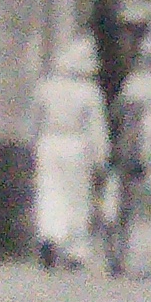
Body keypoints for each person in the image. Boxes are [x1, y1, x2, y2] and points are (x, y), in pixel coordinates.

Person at [29, 35, 107, 269]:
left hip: (48, 141)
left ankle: (50, 234)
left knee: (49, 190)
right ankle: (75, 250)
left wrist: (34, 146)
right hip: (76, 143)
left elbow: (34, 121)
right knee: (77, 196)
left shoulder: (45, 87)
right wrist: (101, 156)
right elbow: (96, 128)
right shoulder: (89, 92)